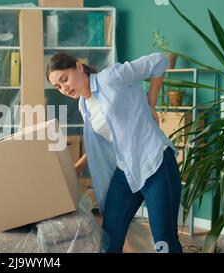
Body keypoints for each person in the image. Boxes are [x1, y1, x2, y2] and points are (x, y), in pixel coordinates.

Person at [46, 52, 183, 253]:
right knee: (110, 238)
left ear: (79, 67)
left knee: (164, 241)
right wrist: (76, 168)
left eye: (64, 79)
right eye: (58, 86)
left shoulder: (110, 78)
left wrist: (151, 104)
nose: (64, 88)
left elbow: (159, 61)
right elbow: (100, 143)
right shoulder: (85, 106)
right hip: (126, 171)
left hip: (155, 165)